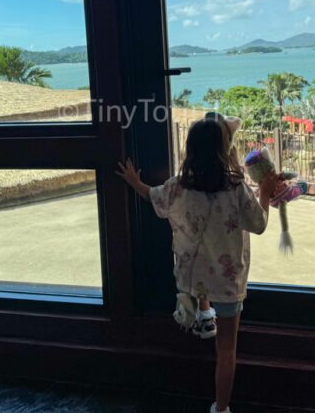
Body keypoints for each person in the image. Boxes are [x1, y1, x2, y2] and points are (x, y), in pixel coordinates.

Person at [116, 115, 280, 413]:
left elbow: (152, 196)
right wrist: (265, 194)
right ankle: (221, 408)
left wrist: (134, 181)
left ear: (190, 149)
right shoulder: (236, 187)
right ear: (225, 149)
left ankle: (201, 316)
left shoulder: (178, 186)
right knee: (227, 349)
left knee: (199, 277)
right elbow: (259, 224)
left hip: (191, 275)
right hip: (227, 282)